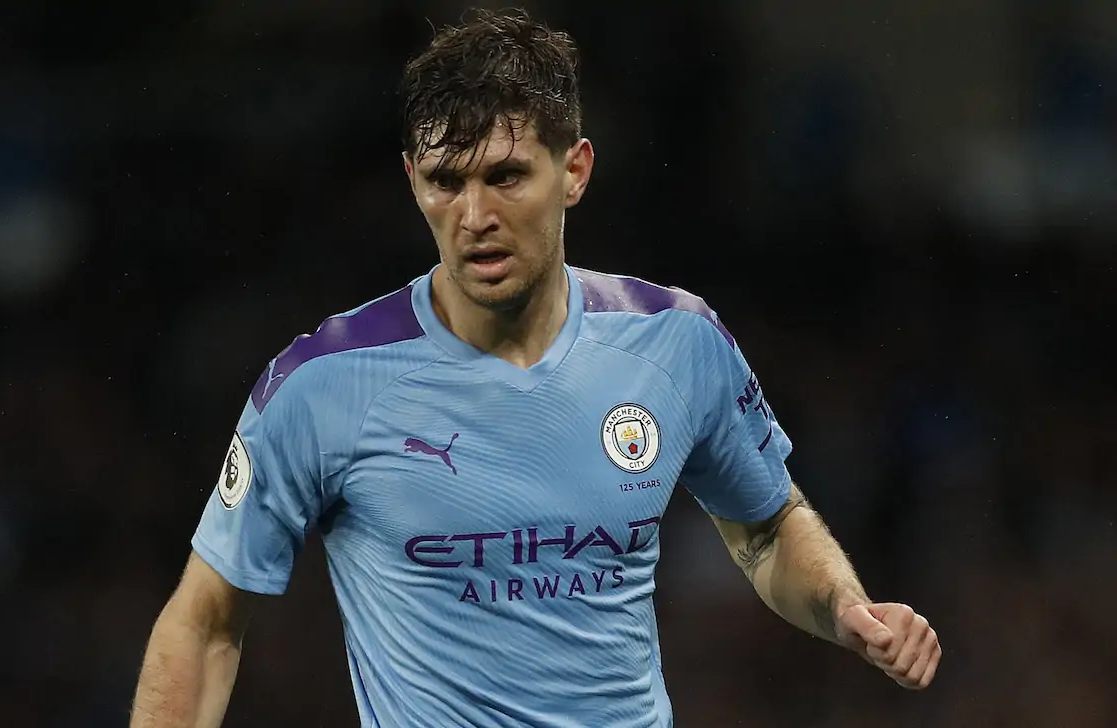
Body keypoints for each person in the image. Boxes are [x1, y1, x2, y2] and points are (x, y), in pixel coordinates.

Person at [129, 8, 941, 727]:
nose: (474, 215)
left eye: (505, 175)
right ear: (412, 181)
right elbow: (203, 623)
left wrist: (845, 607)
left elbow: (764, 529)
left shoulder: (677, 343)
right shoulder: (323, 384)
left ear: (574, 170)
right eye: (445, 182)